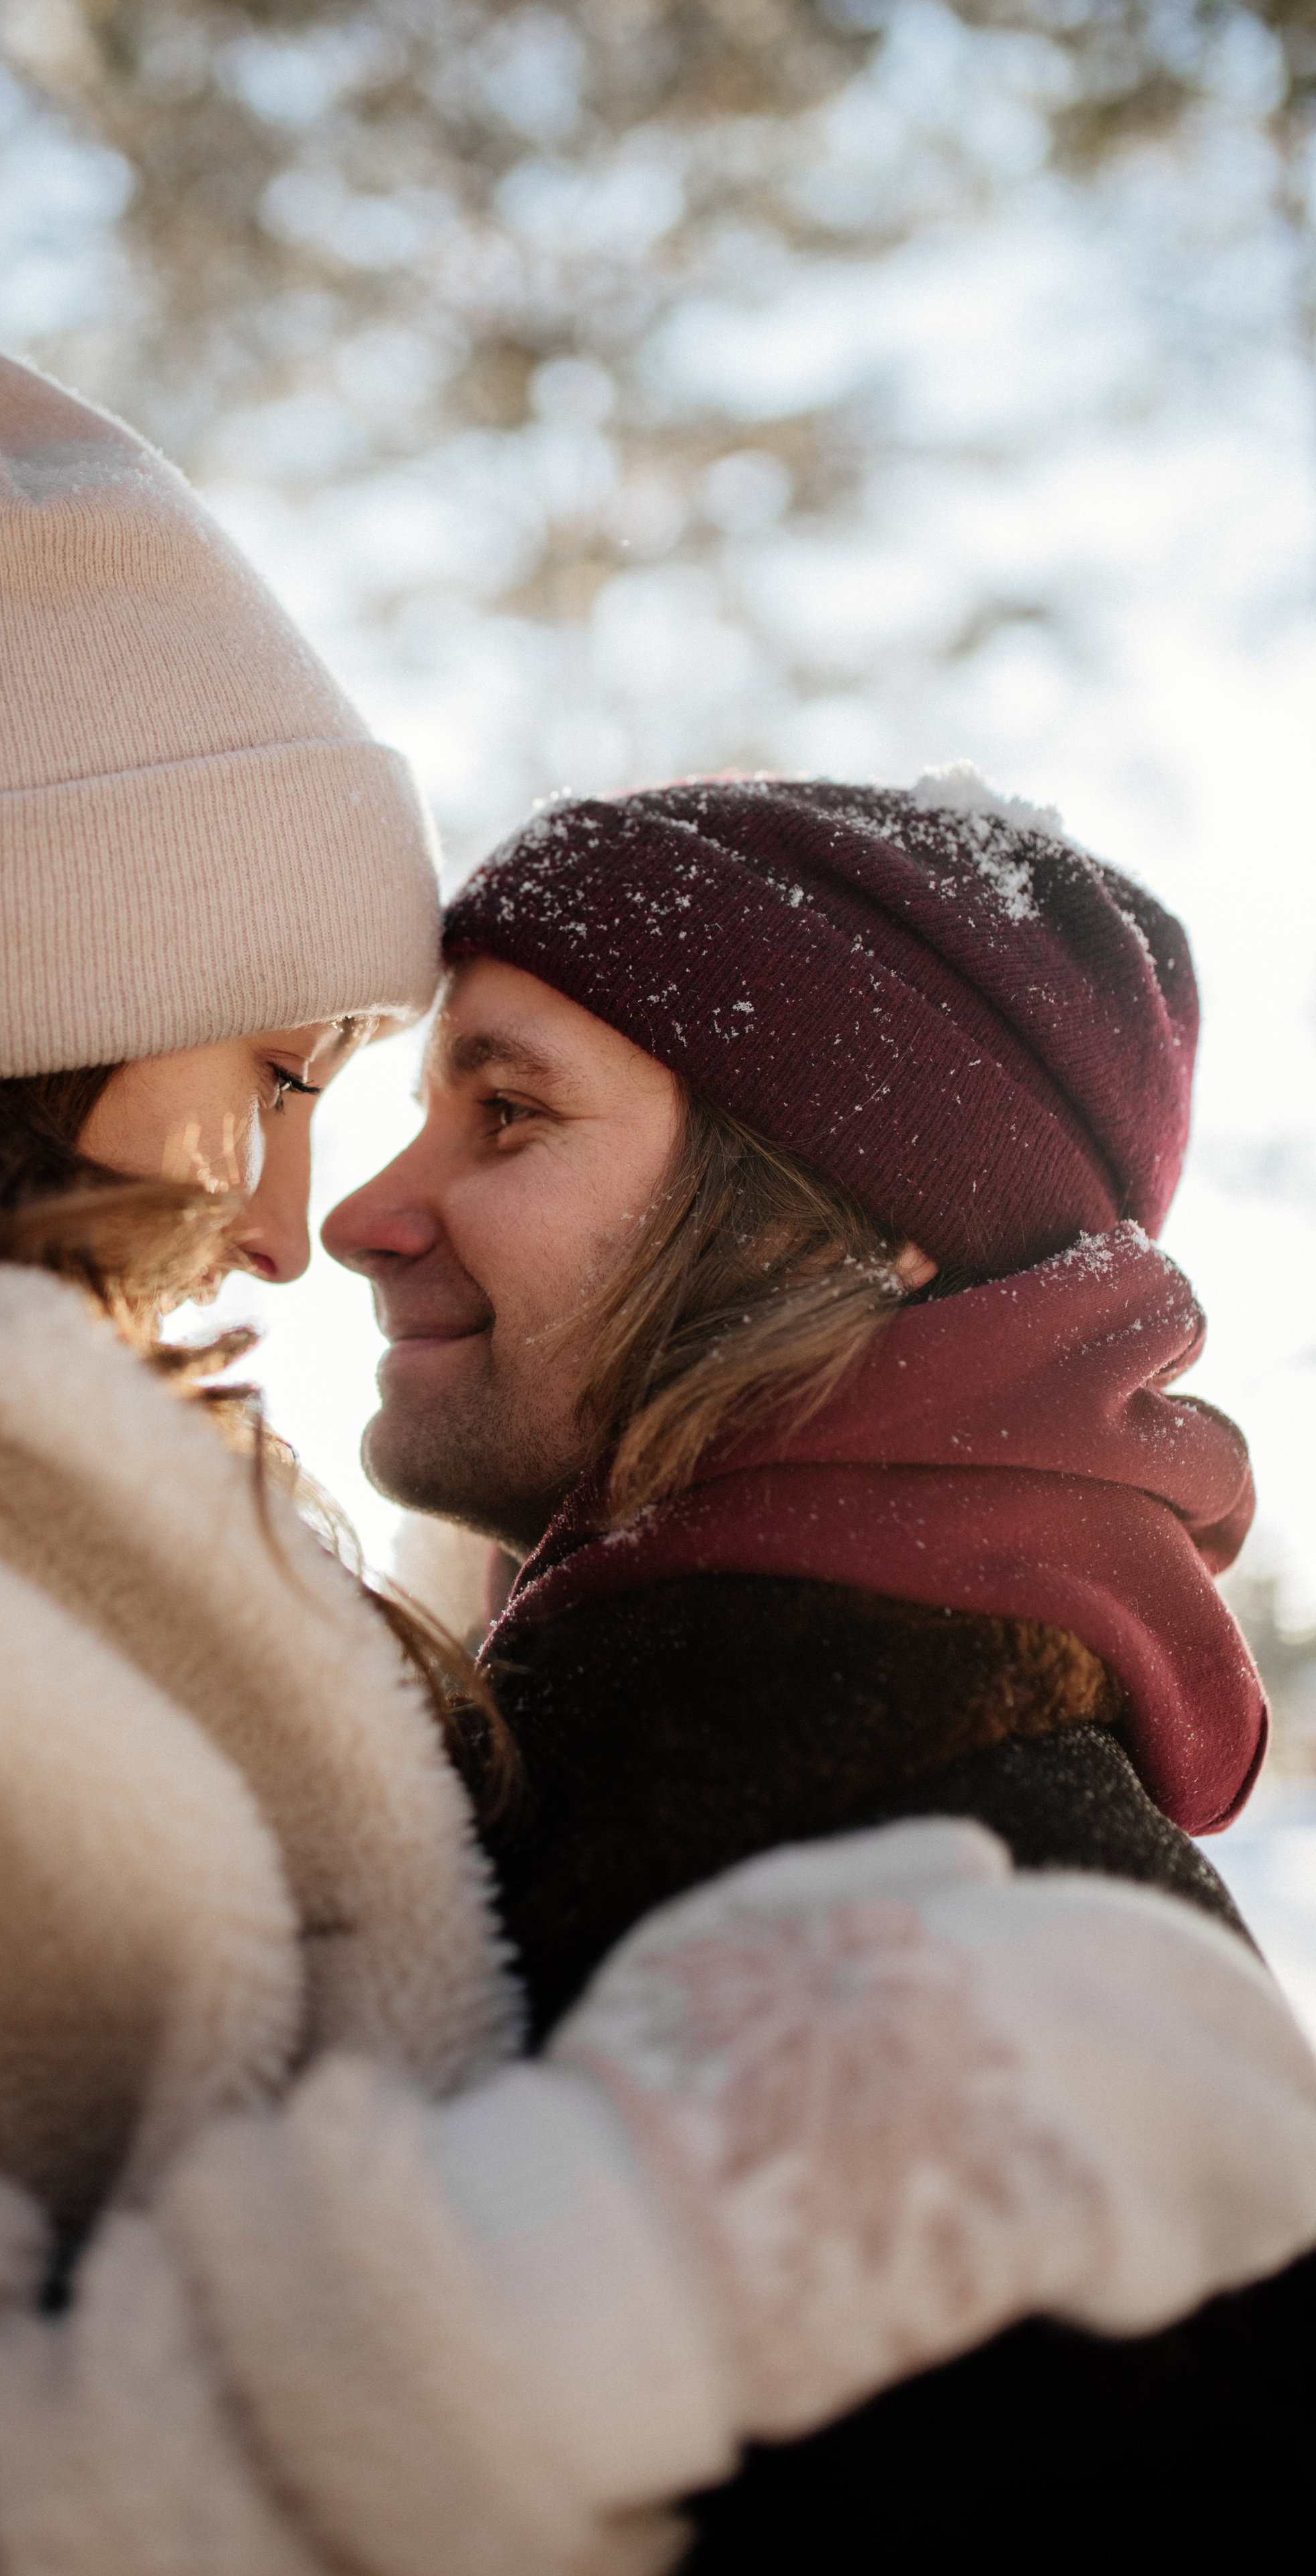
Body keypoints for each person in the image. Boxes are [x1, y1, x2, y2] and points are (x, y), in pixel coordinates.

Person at [0, 333, 1313, 2575]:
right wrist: (631, 2232)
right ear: (45, 968)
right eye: (305, 1072)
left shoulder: (982, 1879)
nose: (327, 1223)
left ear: (810, 1224)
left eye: (486, 1108)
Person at [324, 773, 1316, 2551]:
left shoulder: (972, 1938)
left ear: (834, 1216)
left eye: (507, 1111)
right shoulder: (664, 1763)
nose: (365, 1209)